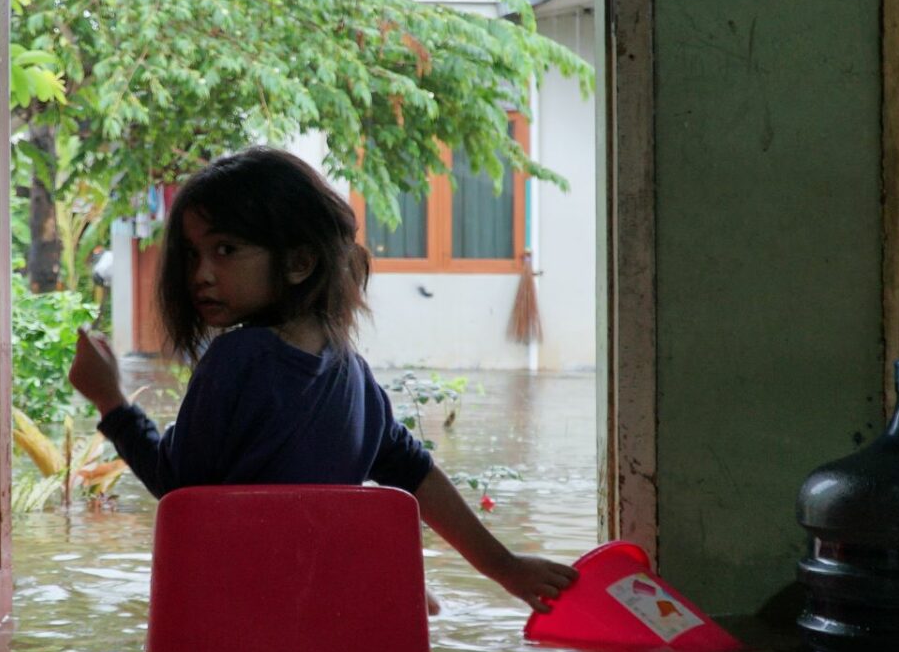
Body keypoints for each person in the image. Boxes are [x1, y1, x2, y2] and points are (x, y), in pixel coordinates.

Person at [68, 147, 580, 613]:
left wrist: (111, 401)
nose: (200, 273)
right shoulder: (351, 372)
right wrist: (503, 567)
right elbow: (415, 475)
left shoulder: (237, 359)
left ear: (299, 261)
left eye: (225, 250)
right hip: (336, 608)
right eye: (192, 254)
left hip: (240, 618)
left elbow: (180, 491)